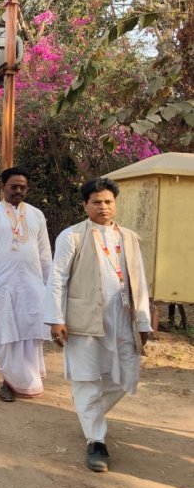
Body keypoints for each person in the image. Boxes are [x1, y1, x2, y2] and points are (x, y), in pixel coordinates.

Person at [44, 178, 151, 472]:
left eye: (108, 202)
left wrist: (143, 321)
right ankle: (96, 441)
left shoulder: (129, 237)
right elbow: (57, 278)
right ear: (85, 205)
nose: (103, 207)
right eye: (96, 202)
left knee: (125, 375)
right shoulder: (71, 236)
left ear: (115, 204)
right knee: (87, 378)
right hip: (83, 318)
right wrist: (56, 318)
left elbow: (140, 281)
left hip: (122, 318)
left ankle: (87, 410)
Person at [0, 168, 52, 402]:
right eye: (13, 186)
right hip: (2, 284)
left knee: (30, 330)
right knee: (5, 333)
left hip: (32, 284)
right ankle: (8, 381)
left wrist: (50, 285)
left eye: (22, 187)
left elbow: (45, 252)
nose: (18, 191)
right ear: (2, 186)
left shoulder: (37, 214)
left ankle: (28, 378)